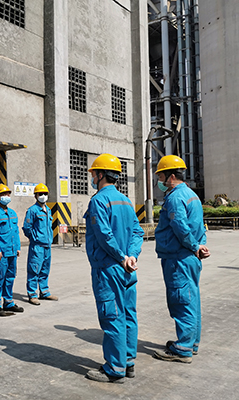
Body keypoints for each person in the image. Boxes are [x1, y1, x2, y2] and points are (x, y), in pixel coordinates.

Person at [83, 154, 144, 384]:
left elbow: (104, 236)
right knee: (128, 314)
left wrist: (121, 257)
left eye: (93, 174)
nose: (92, 178)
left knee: (112, 316)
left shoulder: (99, 201)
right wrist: (131, 256)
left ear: (100, 175)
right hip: (128, 268)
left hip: (109, 268)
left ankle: (114, 368)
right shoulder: (126, 201)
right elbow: (137, 232)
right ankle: (128, 362)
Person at [152, 155, 210, 364]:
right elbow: (199, 226)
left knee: (181, 300)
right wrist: (200, 246)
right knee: (191, 299)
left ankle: (183, 348)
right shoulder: (192, 195)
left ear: (171, 176)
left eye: (161, 176)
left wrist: (194, 246)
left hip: (179, 258)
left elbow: (180, 227)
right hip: (189, 257)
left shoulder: (175, 197)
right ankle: (191, 343)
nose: (160, 181)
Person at [0, 184, 24, 317]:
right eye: (3, 194)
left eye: (8, 194)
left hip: (12, 251)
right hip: (1, 253)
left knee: (10, 277)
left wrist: (18, 247)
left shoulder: (12, 213)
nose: (6, 196)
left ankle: (8, 302)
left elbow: (16, 232)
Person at [22, 183, 57, 305]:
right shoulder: (32, 210)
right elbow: (27, 227)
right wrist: (35, 238)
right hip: (37, 246)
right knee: (34, 269)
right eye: (40, 194)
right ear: (35, 196)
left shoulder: (48, 210)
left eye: (45, 194)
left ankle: (44, 292)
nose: (43, 196)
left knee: (45, 269)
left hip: (47, 245)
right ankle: (32, 294)